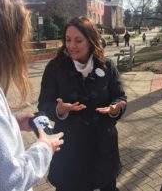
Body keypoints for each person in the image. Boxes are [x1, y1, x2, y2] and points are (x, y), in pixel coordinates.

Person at [0, 0, 64, 191]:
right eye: (21, 37)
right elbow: (2, 183)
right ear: (6, 39)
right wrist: (45, 148)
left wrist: (10, 121)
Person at [38, 16, 127, 191]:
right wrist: (58, 110)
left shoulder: (107, 66)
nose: (71, 45)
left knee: (107, 185)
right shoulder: (55, 68)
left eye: (78, 40)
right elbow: (43, 105)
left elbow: (120, 96)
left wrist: (115, 108)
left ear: (91, 40)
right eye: (68, 40)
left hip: (103, 147)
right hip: (70, 151)